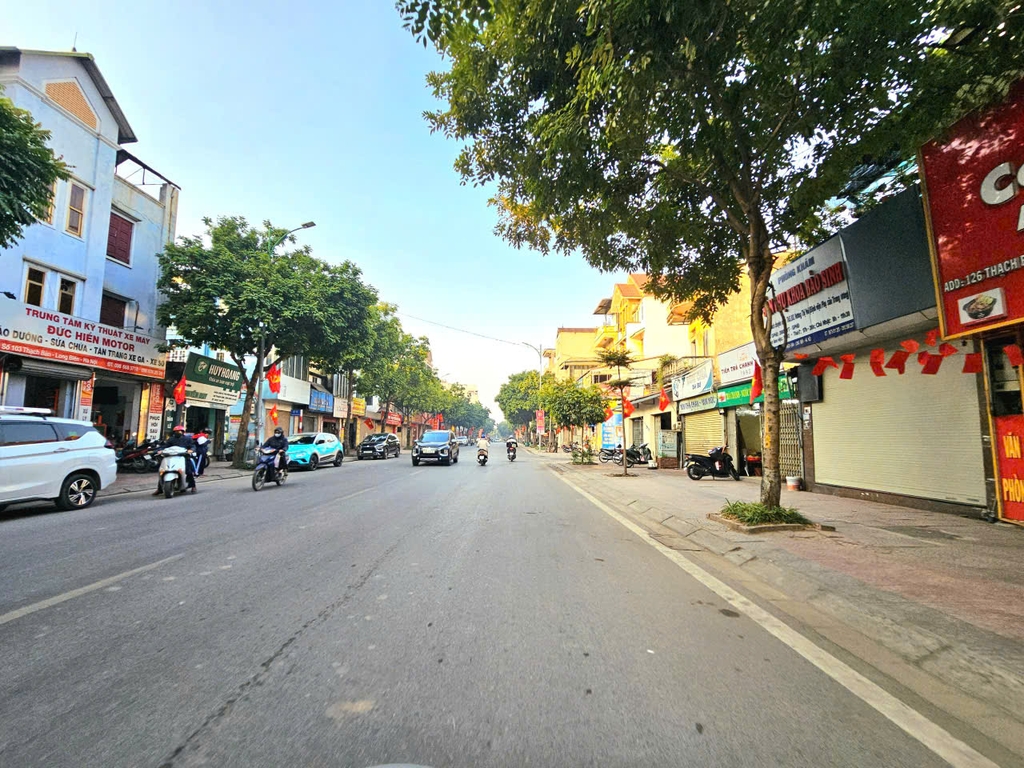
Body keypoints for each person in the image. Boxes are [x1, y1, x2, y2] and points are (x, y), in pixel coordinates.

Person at [153, 425, 197, 495]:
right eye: (176, 431)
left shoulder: (188, 439)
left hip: (183, 457)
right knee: (163, 471)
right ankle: (160, 488)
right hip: (171, 457)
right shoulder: (171, 439)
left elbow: (193, 446)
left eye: (179, 431)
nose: (177, 433)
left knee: (188, 470)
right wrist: (160, 450)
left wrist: (191, 450)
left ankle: (193, 486)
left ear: (183, 432)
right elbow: (165, 446)